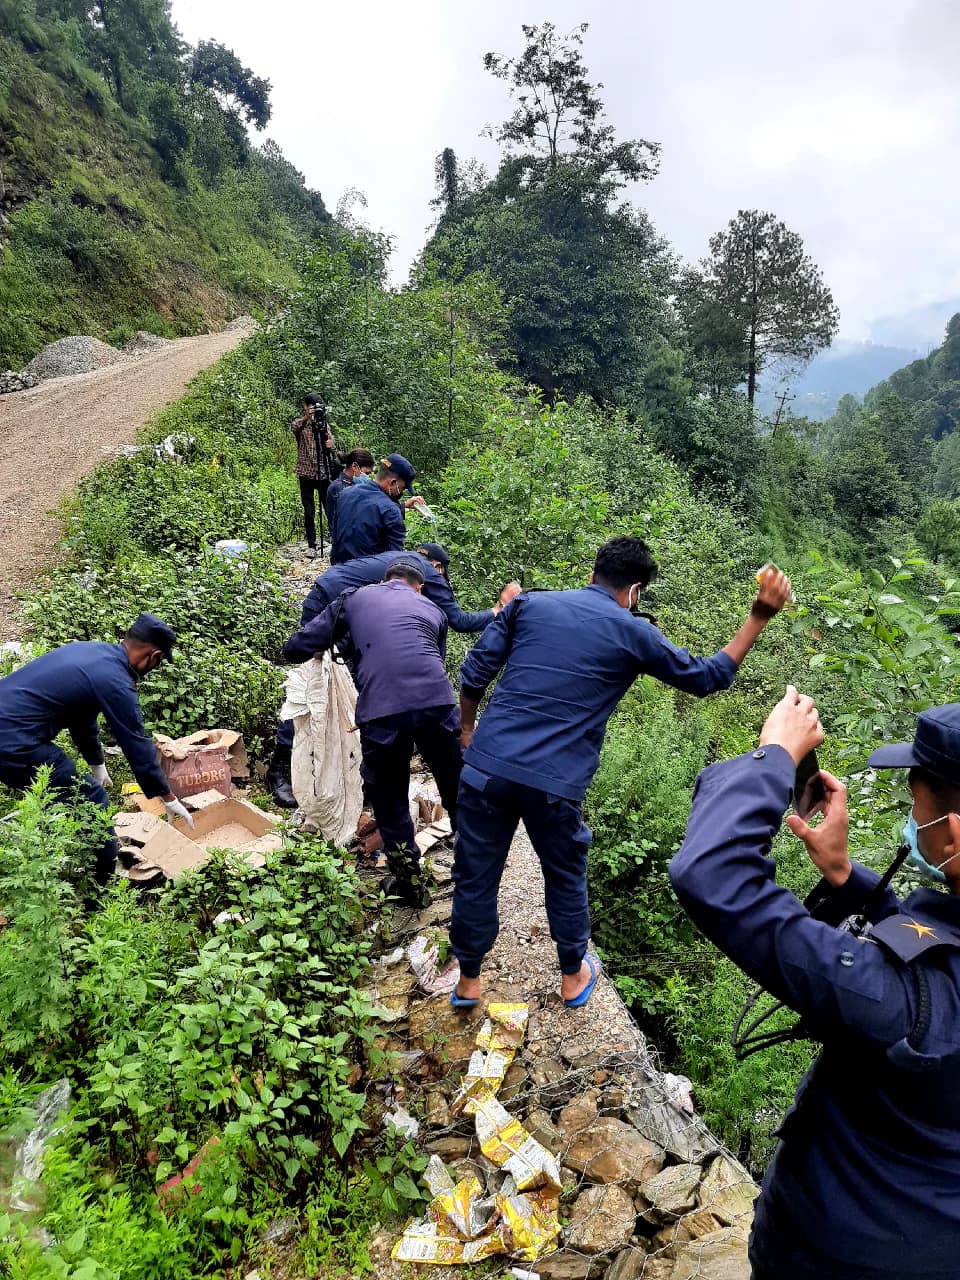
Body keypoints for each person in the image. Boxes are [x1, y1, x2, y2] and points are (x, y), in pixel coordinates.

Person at [669, 691, 960, 1280]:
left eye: (916, 803)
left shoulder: (909, 1003)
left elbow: (711, 875)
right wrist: (845, 875)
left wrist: (773, 758)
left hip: (835, 1256)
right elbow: (934, 952)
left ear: (951, 833)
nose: (913, 817)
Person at [448, 536, 792, 1010]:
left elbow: (475, 671)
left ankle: (468, 981)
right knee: (564, 873)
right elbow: (708, 677)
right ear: (634, 591)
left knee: (474, 872)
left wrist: (468, 730)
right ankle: (572, 977)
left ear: (592, 575)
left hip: (487, 767)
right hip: (554, 783)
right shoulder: (634, 632)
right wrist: (759, 615)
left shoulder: (529, 605)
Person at [264, 545, 521, 808]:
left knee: (352, 679)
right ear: (437, 568)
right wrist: (498, 610)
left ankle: (346, 775)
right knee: (314, 681)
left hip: (328, 594)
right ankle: (281, 769)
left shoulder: (393, 563)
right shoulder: (427, 574)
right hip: (335, 604)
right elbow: (459, 621)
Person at [283, 556, 463, 908]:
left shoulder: (354, 597)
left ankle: (410, 885)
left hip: (382, 713)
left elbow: (295, 648)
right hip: (437, 705)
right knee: (457, 789)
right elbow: (430, 663)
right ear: (419, 587)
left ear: (385, 580)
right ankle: (473, 871)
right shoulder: (434, 610)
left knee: (390, 796)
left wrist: (333, 642)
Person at [0, 615, 193, 885]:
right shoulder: (116, 681)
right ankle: (103, 882)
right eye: (158, 662)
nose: (155, 667)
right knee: (91, 797)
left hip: (9, 728)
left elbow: (82, 716)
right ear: (153, 655)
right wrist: (167, 796)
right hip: (14, 742)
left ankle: (54, 843)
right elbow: (135, 742)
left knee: (62, 792)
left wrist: (97, 764)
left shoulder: (92, 652)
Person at [329, 454, 415, 565]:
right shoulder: (391, 510)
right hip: (366, 573)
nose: (401, 492)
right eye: (402, 488)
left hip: (337, 569)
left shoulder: (345, 494)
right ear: (393, 482)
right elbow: (394, 562)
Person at [292, 394, 343, 557]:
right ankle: (312, 545)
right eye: (311, 406)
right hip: (305, 472)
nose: (314, 410)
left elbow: (331, 447)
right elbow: (295, 427)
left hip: (323, 473)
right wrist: (308, 417)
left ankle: (336, 542)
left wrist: (331, 444)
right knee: (309, 511)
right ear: (305, 406)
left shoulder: (324, 425)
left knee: (329, 508)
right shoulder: (300, 425)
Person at [325, 447, 375, 545]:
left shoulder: (352, 485)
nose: (367, 477)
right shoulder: (340, 487)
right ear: (354, 466)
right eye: (366, 473)